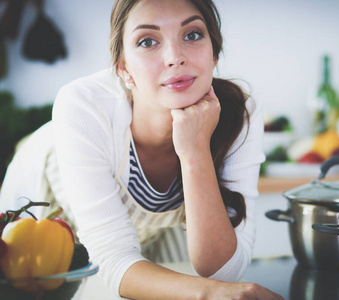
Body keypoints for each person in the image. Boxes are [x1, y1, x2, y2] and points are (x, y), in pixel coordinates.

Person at [0, 0, 283, 299]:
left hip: (151, 231)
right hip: (42, 221)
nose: (175, 57)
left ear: (214, 53)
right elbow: (112, 260)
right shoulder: (84, 105)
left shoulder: (239, 112)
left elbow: (224, 272)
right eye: (148, 41)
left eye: (192, 35)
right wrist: (210, 293)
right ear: (123, 68)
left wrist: (195, 150)